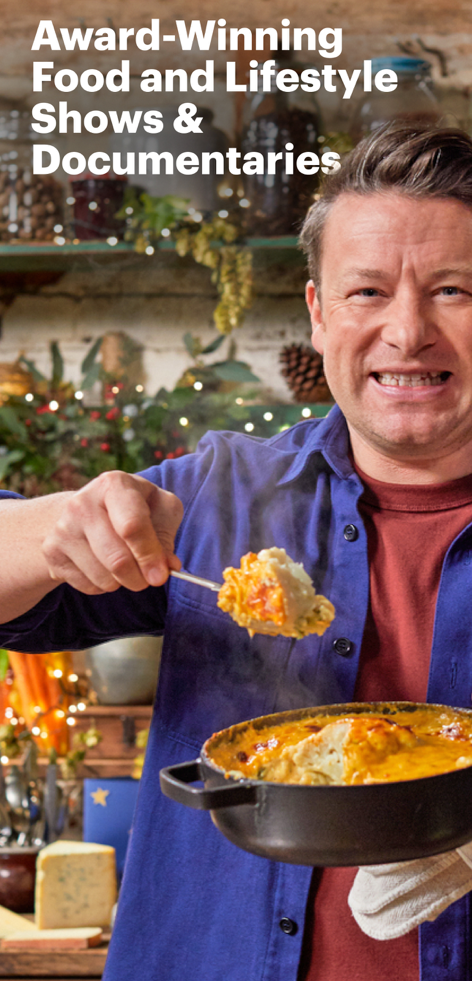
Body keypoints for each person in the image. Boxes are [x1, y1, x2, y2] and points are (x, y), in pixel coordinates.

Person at [1, 122, 472, 981]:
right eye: (367, 291)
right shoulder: (216, 494)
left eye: (453, 290)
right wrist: (56, 525)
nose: (407, 332)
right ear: (319, 314)